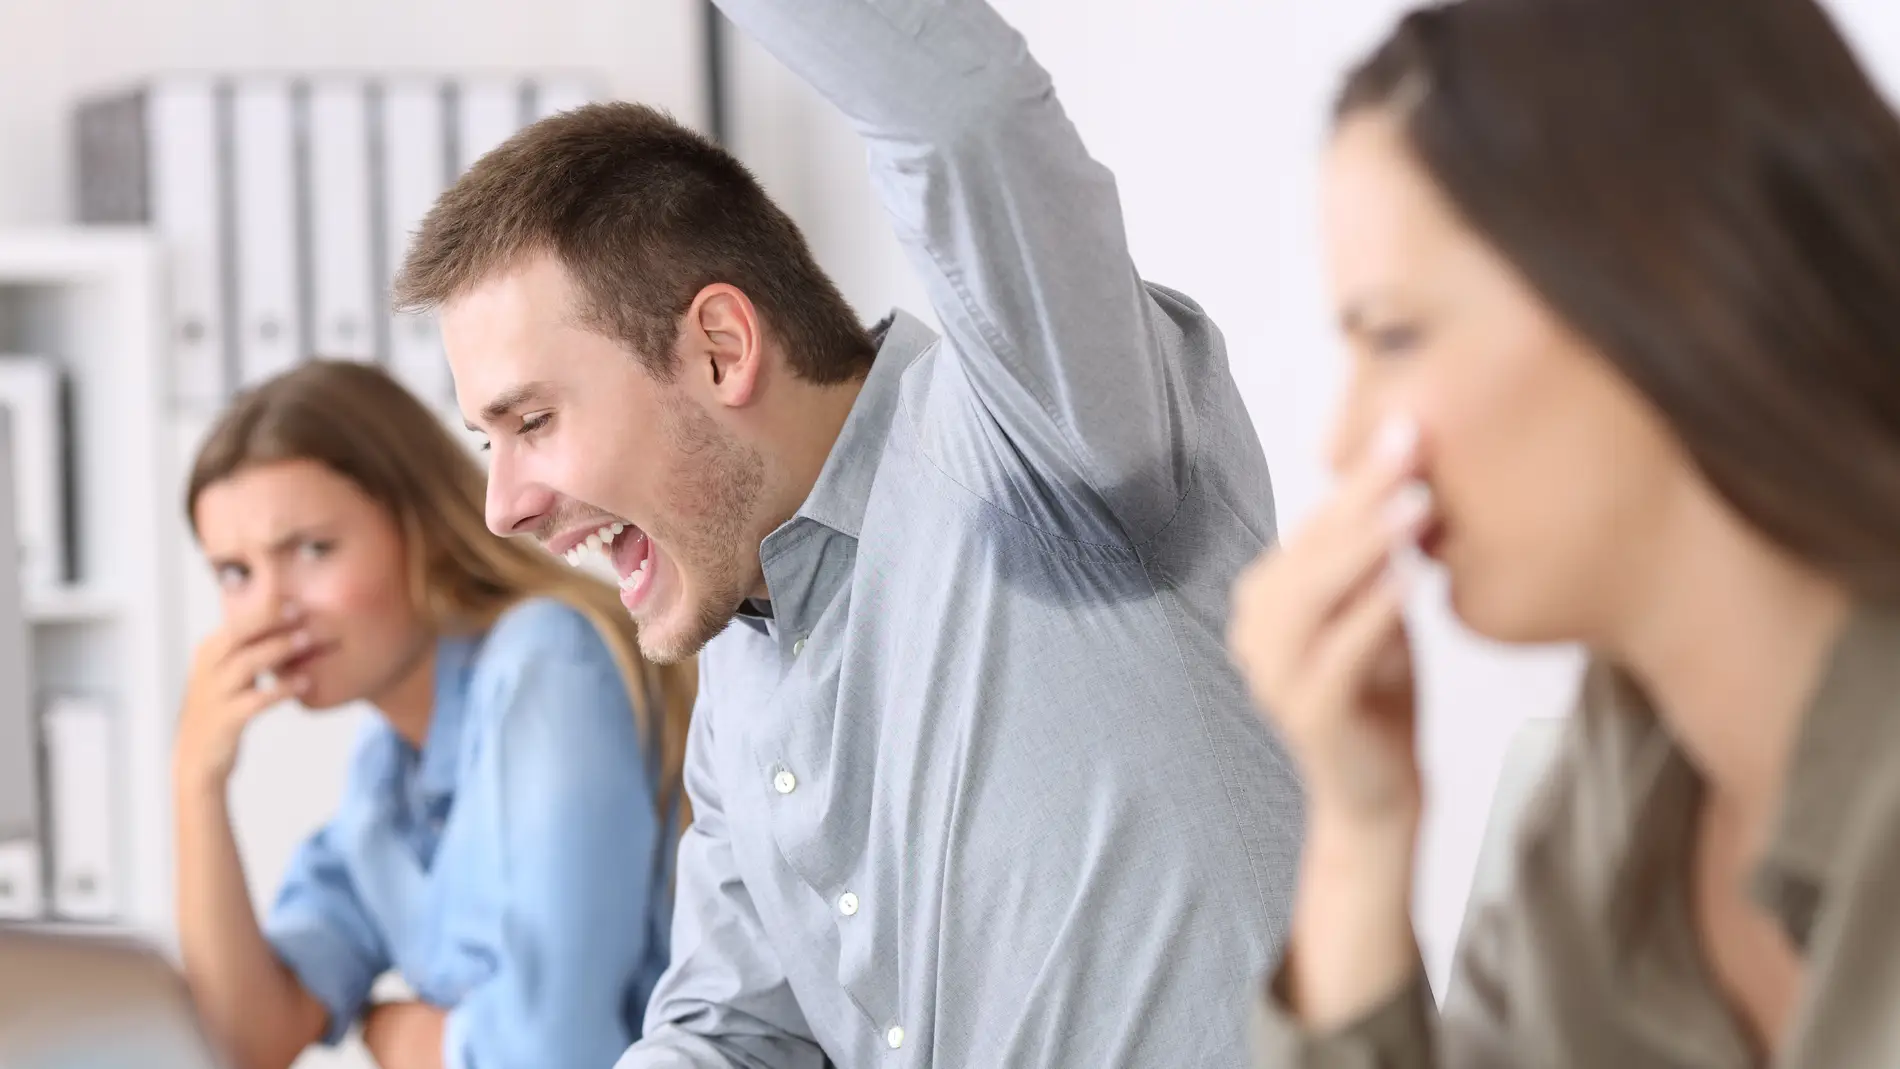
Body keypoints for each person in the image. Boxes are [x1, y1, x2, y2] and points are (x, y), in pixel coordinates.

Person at [393, 0, 1303, 1064]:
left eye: (533, 422)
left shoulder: (1037, 435)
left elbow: (964, 117)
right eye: (487, 441)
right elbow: (731, 1034)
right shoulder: (741, 685)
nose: (502, 505)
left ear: (722, 349)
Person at [1229, 0, 1900, 1065]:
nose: (1341, 440)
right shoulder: (1604, 802)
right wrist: (1359, 839)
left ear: (1664, 291)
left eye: (1394, 335)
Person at [172, 360, 697, 1069]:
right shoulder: (384, 771)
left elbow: (549, 1057)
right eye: (236, 572)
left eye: (311, 549)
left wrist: (404, 1036)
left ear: (419, 526)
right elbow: (247, 1040)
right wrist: (194, 786)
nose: (268, 609)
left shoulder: (543, 661)